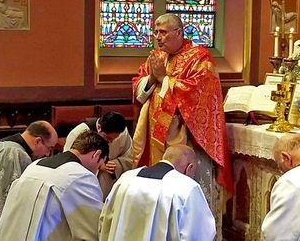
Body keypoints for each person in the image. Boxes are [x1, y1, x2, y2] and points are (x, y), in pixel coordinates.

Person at [132, 13, 233, 236]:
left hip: (187, 136)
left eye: (164, 32)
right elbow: (139, 89)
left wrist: (163, 79)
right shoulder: (157, 56)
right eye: (156, 32)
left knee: (184, 193)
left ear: (179, 32)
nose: (158, 37)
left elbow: (200, 93)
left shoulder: (199, 57)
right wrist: (152, 78)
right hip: (155, 134)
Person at [0, 131, 110, 241]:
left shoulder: (35, 165)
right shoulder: (81, 176)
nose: (96, 171)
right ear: (97, 154)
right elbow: (95, 229)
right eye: (99, 166)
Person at [99, 145, 215, 241]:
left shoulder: (125, 179)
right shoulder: (187, 188)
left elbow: (105, 220)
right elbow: (200, 234)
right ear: (189, 168)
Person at [63, 111, 133, 199]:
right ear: (99, 127)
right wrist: (97, 164)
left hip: (109, 179)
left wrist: (116, 164)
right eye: (108, 138)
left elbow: (130, 157)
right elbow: (67, 162)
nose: (111, 142)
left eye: (114, 139)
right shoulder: (78, 133)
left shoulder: (122, 133)